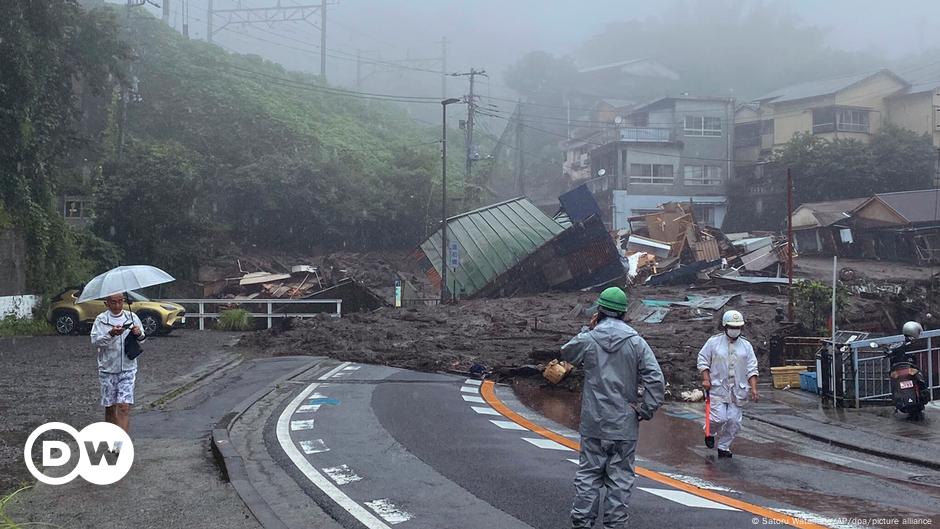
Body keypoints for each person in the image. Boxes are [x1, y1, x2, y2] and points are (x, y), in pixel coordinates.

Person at [560, 287, 665, 529]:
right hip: (624, 423)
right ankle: (615, 525)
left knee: (588, 476)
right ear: (624, 313)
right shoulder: (636, 342)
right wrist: (645, 409)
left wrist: (589, 328)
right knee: (620, 480)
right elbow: (655, 379)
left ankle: (582, 523)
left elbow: (567, 352)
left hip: (594, 422)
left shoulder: (589, 338)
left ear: (599, 311)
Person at [697, 309, 759, 458]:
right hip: (718, 388)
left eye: (737, 327)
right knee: (718, 418)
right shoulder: (713, 343)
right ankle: (710, 432)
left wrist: (754, 389)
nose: (734, 330)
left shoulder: (746, 346)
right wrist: (706, 378)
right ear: (725, 326)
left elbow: (752, 368)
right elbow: (703, 359)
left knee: (734, 421)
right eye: (732, 326)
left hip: (738, 390)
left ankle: (724, 446)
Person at [91, 292, 146, 437]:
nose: (117, 305)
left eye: (120, 301)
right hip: (107, 369)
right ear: (106, 303)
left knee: (124, 406)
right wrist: (110, 334)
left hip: (128, 368)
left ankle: (122, 444)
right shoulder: (101, 320)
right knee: (110, 407)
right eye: (113, 302)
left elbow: (142, 339)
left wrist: (138, 333)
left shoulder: (132, 317)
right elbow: (95, 341)